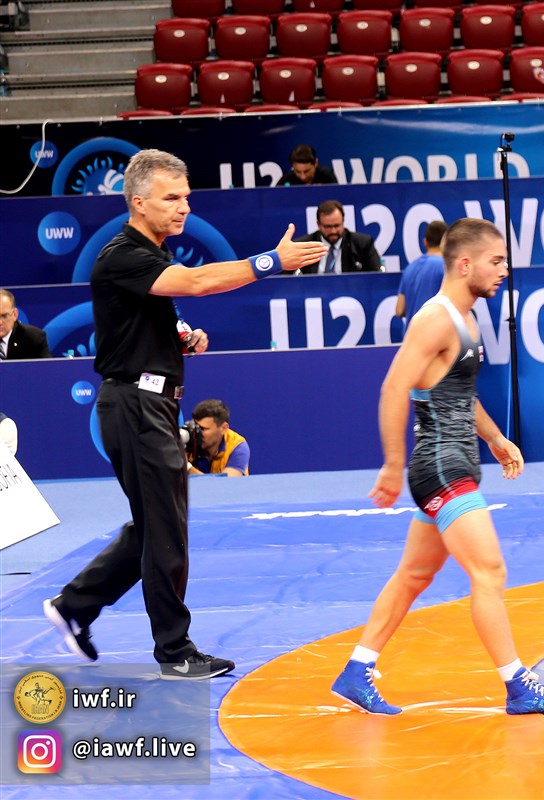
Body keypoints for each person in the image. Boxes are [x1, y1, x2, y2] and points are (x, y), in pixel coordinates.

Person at [42, 149, 327, 680]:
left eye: (187, 197)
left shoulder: (151, 254)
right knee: (166, 531)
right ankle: (174, 652)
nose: (184, 208)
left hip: (149, 403)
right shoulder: (123, 254)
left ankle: (75, 605)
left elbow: (149, 319)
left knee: (156, 527)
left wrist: (181, 339)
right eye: (171, 198)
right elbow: (197, 283)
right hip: (136, 407)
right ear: (138, 202)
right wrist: (270, 261)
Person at [331, 218, 544, 716]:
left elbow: (461, 394)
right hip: (441, 467)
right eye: (496, 261)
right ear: (465, 264)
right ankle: (518, 685)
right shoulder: (435, 319)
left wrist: (496, 439)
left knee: (414, 574)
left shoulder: (465, 319)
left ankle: (357, 670)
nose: (504, 271)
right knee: (489, 570)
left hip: (455, 461)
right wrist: (392, 465)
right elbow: (393, 386)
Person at [294, 200, 383, 274]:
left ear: (343, 222)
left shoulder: (362, 244)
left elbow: (377, 276)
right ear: (319, 225)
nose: (333, 231)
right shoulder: (304, 246)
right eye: (328, 227)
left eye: (337, 226)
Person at [395, 219, 448, 319]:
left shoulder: (409, 269)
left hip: (412, 328)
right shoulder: (447, 267)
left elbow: (399, 310)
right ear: (447, 242)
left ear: (425, 242)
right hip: (438, 327)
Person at [186, 398, 250, 477]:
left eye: (202, 429)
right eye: (195, 427)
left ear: (223, 428)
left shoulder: (237, 447)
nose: (196, 433)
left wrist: (187, 467)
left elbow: (226, 483)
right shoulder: (187, 439)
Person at [0, 289, 52, 360]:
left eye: (4, 316)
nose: (0, 322)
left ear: (15, 315)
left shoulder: (33, 338)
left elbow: (46, 366)